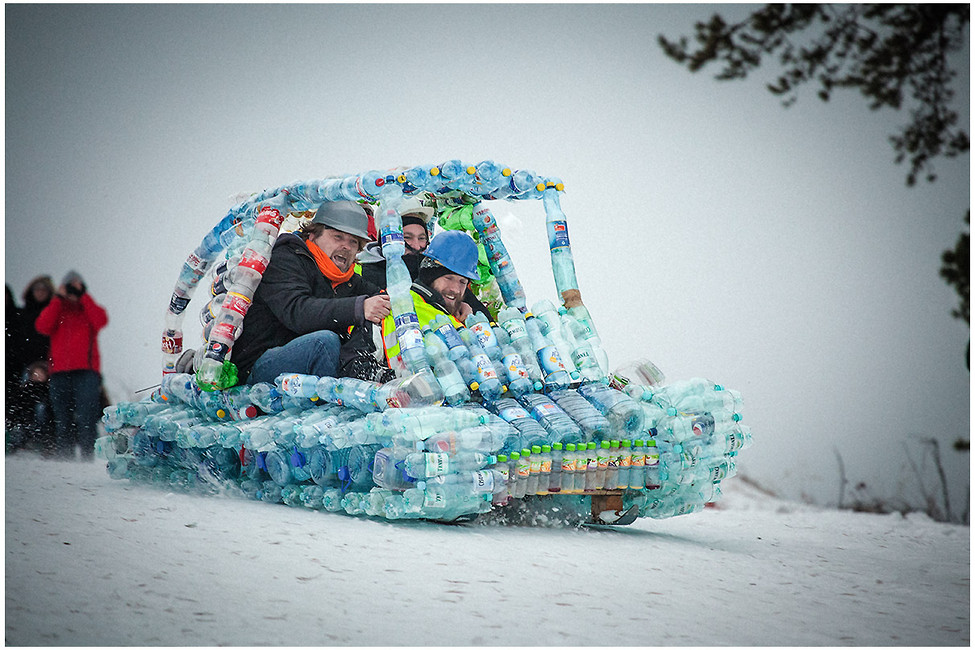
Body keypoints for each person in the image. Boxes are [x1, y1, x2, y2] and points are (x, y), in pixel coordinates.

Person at [231, 200, 392, 384]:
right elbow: (297, 312)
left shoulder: (349, 281)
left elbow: (384, 296)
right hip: (259, 366)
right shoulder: (286, 258)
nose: (346, 247)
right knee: (324, 343)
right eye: (338, 237)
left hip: (308, 373)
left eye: (353, 242)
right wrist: (359, 308)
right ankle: (335, 400)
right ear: (313, 234)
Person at [380, 230, 489, 369]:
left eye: (462, 282)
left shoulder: (453, 316)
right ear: (430, 276)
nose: (456, 289)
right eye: (448, 278)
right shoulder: (395, 303)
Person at [34, 270, 109, 460]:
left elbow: (101, 320)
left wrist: (84, 296)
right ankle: (64, 458)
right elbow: (42, 326)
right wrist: (58, 299)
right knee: (62, 419)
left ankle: (88, 457)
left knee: (87, 417)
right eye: (70, 286)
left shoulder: (88, 309)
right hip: (59, 372)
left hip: (86, 372)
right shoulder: (58, 309)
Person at [357, 195, 433, 288]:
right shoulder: (361, 278)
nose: (416, 246)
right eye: (407, 237)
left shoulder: (433, 274)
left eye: (421, 238)